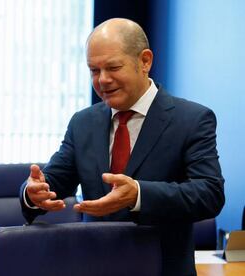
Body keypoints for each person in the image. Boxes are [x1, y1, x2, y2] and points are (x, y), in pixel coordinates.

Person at [20, 18, 224, 276]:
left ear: (145, 61)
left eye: (113, 67)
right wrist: (33, 192)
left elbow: (209, 193)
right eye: (94, 70)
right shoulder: (83, 122)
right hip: (94, 266)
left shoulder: (191, 119)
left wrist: (138, 194)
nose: (103, 80)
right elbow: (54, 182)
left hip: (162, 268)